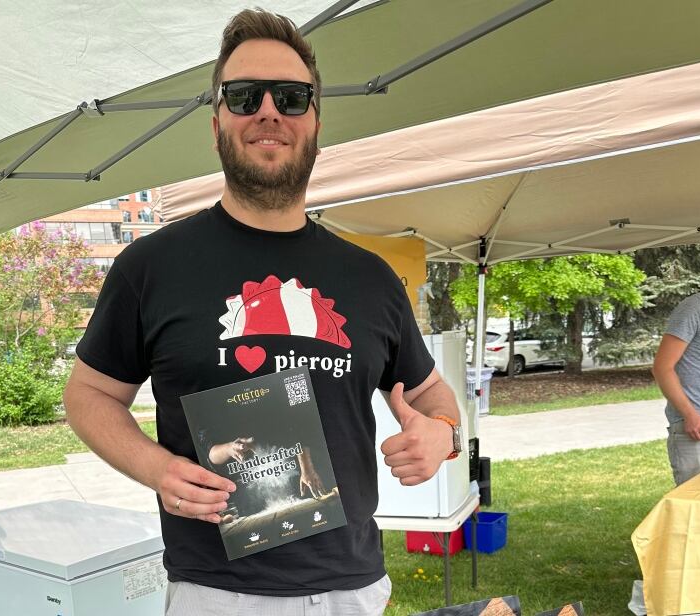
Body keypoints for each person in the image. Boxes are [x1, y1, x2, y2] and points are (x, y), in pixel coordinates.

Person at [63, 9, 462, 616]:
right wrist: (159, 469)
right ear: (217, 121)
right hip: (214, 594)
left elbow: (432, 393)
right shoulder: (152, 266)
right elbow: (88, 394)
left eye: (293, 97)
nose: (269, 111)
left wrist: (443, 434)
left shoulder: (370, 277)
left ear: (315, 122)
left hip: (352, 589)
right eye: (245, 96)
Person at [652, 285, 700, 485]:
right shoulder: (696, 307)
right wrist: (689, 415)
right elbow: (662, 367)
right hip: (698, 423)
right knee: (693, 498)